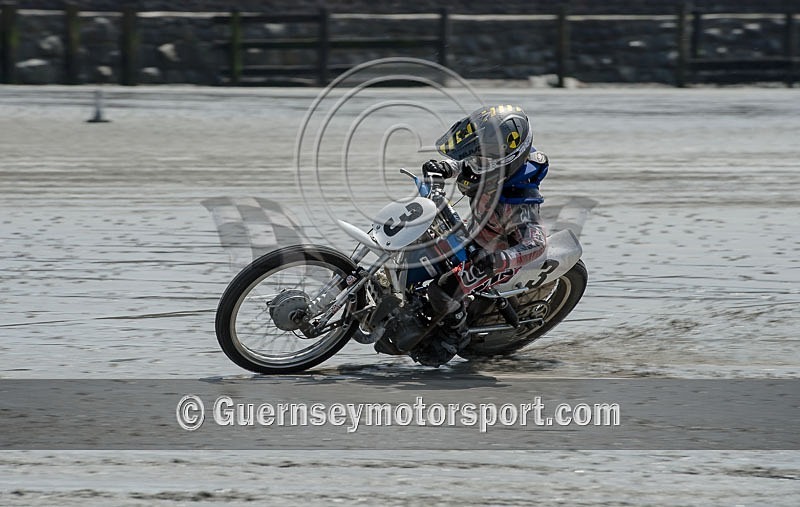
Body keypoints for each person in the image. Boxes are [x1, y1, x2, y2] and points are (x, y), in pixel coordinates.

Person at [412, 104, 550, 366]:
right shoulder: (496, 157)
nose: (473, 166)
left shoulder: (520, 201)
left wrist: (500, 261)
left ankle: (453, 336)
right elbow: (467, 158)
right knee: (419, 237)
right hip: (474, 231)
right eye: (477, 158)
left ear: (504, 163)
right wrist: (445, 166)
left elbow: (536, 244)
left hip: (496, 257)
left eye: (480, 162)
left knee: (445, 288)